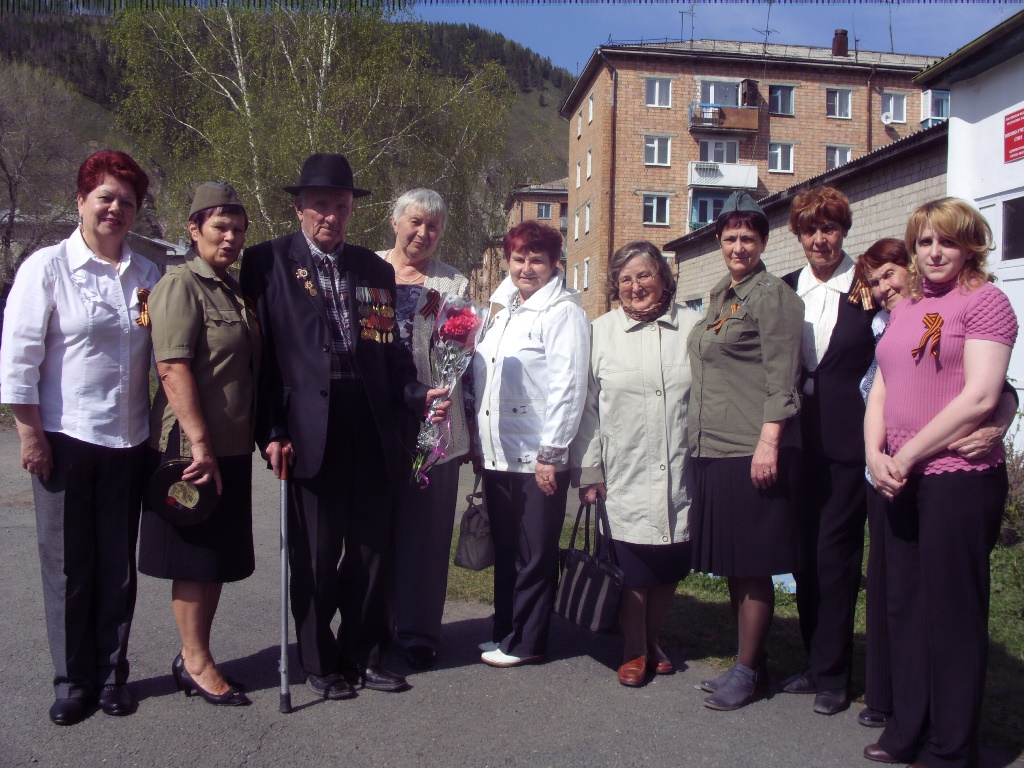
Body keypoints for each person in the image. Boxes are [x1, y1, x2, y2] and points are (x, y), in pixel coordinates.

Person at [239, 154, 450, 701]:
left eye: (341, 205)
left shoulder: (372, 270)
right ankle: (319, 660)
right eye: (320, 205)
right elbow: (261, 360)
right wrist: (272, 431)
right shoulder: (267, 261)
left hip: (372, 425)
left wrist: (415, 395)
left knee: (372, 550)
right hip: (308, 429)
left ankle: (366, 652)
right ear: (299, 207)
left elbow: (388, 350)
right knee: (316, 554)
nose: (331, 216)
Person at [0, 150, 160, 725]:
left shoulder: (148, 276)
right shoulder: (47, 268)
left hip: (128, 441)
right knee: (69, 566)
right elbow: (18, 360)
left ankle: (113, 676)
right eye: (105, 197)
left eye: (127, 201)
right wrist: (30, 436)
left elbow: (167, 356)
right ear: (81, 202)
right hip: (64, 439)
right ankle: (73, 681)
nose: (115, 209)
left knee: (117, 565)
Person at [863, 198, 1017, 768]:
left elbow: (981, 395)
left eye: (947, 241)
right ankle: (908, 729)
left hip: (958, 478)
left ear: (971, 245)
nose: (934, 252)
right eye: (924, 242)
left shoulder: (985, 301)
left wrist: (908, 454)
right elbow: (881, 386)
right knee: (905, 608)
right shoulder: (907, 307)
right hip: (897, 478)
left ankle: (951, 748)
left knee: (951, 612)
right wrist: (874, 454)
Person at [138, 182, 259, 707]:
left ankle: (197, 654)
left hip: (228, 447)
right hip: (191, 451)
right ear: (194, 230)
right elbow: (171, 367)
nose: (230, 237)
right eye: (220, 227)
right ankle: (195, 661)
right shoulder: (180, 285)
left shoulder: (231, 289)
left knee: (215, 559)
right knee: (192, 560)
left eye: (238, 229)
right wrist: (201, 445)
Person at [686, 191, 804, 711]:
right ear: (719, 240)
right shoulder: (723, 294)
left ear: (763, 242)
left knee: (754, 565)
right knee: (737, 564)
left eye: (749, 238)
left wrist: (769, 442)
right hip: (715, 447)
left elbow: (784, 380)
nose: (739, 247)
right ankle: (749, 662)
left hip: (751, 449)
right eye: (731, 237)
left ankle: (748, 670)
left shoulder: (773, 296)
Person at [571, 241, 700, 687]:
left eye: (644, 275)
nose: (635, 286)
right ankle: (634, 649)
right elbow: (587, 411)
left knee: (669, 562)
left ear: (663, 277)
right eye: (625, 279)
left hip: (679, 464)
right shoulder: (600, 333)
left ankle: (652, 638)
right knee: (631, 564)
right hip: (624, 468)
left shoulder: (692, 327)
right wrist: (590, 471)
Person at [778, 186, 879, 717]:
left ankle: (836, 675)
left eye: (830, 228)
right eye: (810, 230)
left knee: (836, 557)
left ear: (843, 231)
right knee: (803, 558)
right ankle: (815, 663)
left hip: (849, 443)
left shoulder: (868, 286)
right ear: (798, 235)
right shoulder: (785, 289)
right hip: (795, 442)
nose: (820, 239)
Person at [474, 219, 590, 668]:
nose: (526, 268)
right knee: (508, 549)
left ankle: (528, 642)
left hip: (538, 458)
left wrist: (551, 453)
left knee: (534, 553)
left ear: (555, 262)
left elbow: (568, 387)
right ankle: (505, 631)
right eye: (518, 258)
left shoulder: (563, 313)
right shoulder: (503, 309)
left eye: (537, 260)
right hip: (499, 454)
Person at [376, 189, 472, 670]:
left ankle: (418, 632)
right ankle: (374, 627)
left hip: (435, 423)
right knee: (375, 529)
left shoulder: (452, 282)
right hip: (376, 421)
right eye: (415, 222)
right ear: (395, 222)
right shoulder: (367, 269)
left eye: (433, 226)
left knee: (427, 533)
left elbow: (463, 350)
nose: (423, 233)